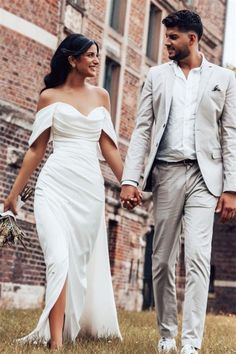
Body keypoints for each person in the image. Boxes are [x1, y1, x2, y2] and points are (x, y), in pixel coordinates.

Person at [120, 10, 236, 354]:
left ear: (192, 38)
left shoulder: (223, 79)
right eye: (166, 36)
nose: (166, 43)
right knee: (162, 259)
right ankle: (167, 334)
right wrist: (130, 178)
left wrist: (231, 187)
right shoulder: (155, 76)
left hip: (205, 177)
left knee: (199, 257)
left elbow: (230, 134)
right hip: (167, 173)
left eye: (172, 37)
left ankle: (191, 343)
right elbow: (142, 130)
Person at [4, 33, 123, 349]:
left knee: (75, 263)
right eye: (91, 55)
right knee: (58, 258)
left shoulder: (102, 97)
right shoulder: (49, 98)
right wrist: (12, 195)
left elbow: (109, 147)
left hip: (89, 190)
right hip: (53, 186)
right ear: (73, 59)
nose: (97, 61)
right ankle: (56, 342)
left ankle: (66, 328)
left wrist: (128, 183)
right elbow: (35, 150)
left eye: (98, 55)